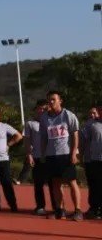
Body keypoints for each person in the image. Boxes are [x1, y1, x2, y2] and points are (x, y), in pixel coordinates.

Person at [40, 91, 83, 221]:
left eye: (53, 99)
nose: (51, 102)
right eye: (49, 100)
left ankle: (77, 210)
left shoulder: (68, 115)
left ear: (60, 101)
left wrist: (74, 152)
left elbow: (75, 135)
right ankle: (60, 210)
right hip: (52, 155)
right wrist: (43, 154)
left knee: (72, 182)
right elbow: (44, 138)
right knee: (55, 183)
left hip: (66, 154)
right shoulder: (44, 118)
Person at [81, 106, 102, 219]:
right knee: (95, 185)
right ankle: (94, 208)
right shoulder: (91, 124)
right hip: (95, 159)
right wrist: (80, 156)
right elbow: (83, 140)